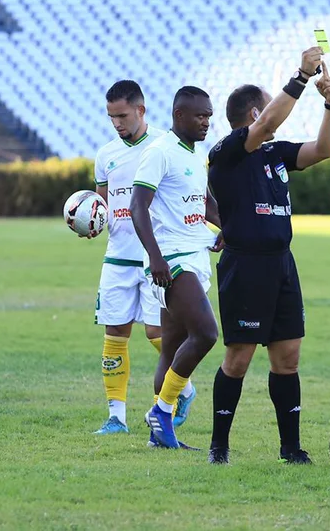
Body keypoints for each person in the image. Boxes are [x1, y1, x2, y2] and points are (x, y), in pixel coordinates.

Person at [206, 47, 330, 465]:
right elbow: (267, 124)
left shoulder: (274, 154)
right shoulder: (226, 153)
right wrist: (300, 76)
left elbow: (323, 150)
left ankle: (290, 448)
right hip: (245, 266)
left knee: (288, 357)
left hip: (282, 263)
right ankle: (219, 446)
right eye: (267, 109)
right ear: (255, 112)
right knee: (239, 358)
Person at [90, 80, 196, 435]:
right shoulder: (106, 155)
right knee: (115, 332)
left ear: (141, 110)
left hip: (157, 257)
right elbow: (102, 206)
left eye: (122, 115)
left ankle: (183, 386)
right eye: (111, 117)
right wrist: (90, 222)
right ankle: (116, 417)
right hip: (117, 257)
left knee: (158, 332)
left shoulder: (164, 147)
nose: (117, 123)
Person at [130, 85, 224, 450]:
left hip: (193, 253)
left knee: (171, 348)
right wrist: (155, 257)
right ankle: (163, 411)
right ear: (179, 116)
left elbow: (202, 201)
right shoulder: (159, 152)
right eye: (200, 116)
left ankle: (161, 436)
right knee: (206, 334)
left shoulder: (194, 153)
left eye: (209, 117)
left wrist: (224, 226)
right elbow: (139, 206)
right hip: (171, 260)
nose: (206, 122)